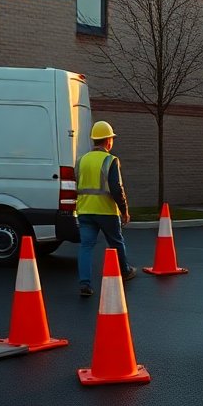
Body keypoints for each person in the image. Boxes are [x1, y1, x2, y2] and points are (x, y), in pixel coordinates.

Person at [75, 120, 137, 297]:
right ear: (108, 140)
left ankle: (85, 283)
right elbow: (116, 188)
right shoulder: (111, 160)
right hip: (106, 211)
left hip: (85, 211)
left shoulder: (81, 161)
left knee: (86, 246)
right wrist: (124, 210)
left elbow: (77, 185)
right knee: (116, 242)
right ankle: (124, 272)